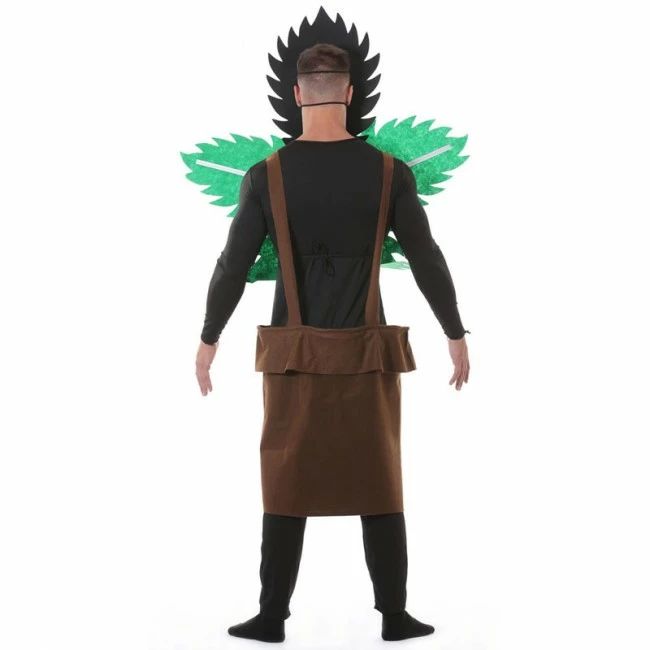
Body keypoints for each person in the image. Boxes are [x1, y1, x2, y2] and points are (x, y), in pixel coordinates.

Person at [195, 44, 470, 643]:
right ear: (350, 93)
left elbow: (232, 265)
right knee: (379, 478)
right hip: (367, 354)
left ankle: (271, 617)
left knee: (284, 477)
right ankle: (395, 616)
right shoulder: (390, 173)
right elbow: (426, 257)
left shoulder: (266, 175)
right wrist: (455, 331)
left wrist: (209, 337)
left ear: (297, 95)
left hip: (292, 357)